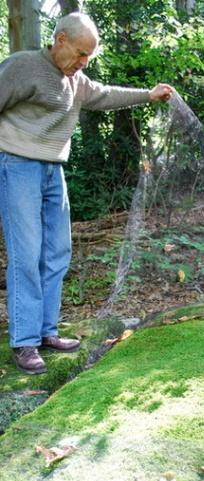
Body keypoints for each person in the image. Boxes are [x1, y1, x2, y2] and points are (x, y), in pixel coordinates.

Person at [0, 12, 173, 375]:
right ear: (60, 40)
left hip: (53, 170)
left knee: (58, 253)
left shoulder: (75, 81)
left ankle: (47, 332)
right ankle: (25, 341)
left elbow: (106, 94)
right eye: (80, 54)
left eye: (88, 58)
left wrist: (149, 95)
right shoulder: (22, 67)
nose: (82, 63)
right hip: (17, 167)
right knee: (26, 255)